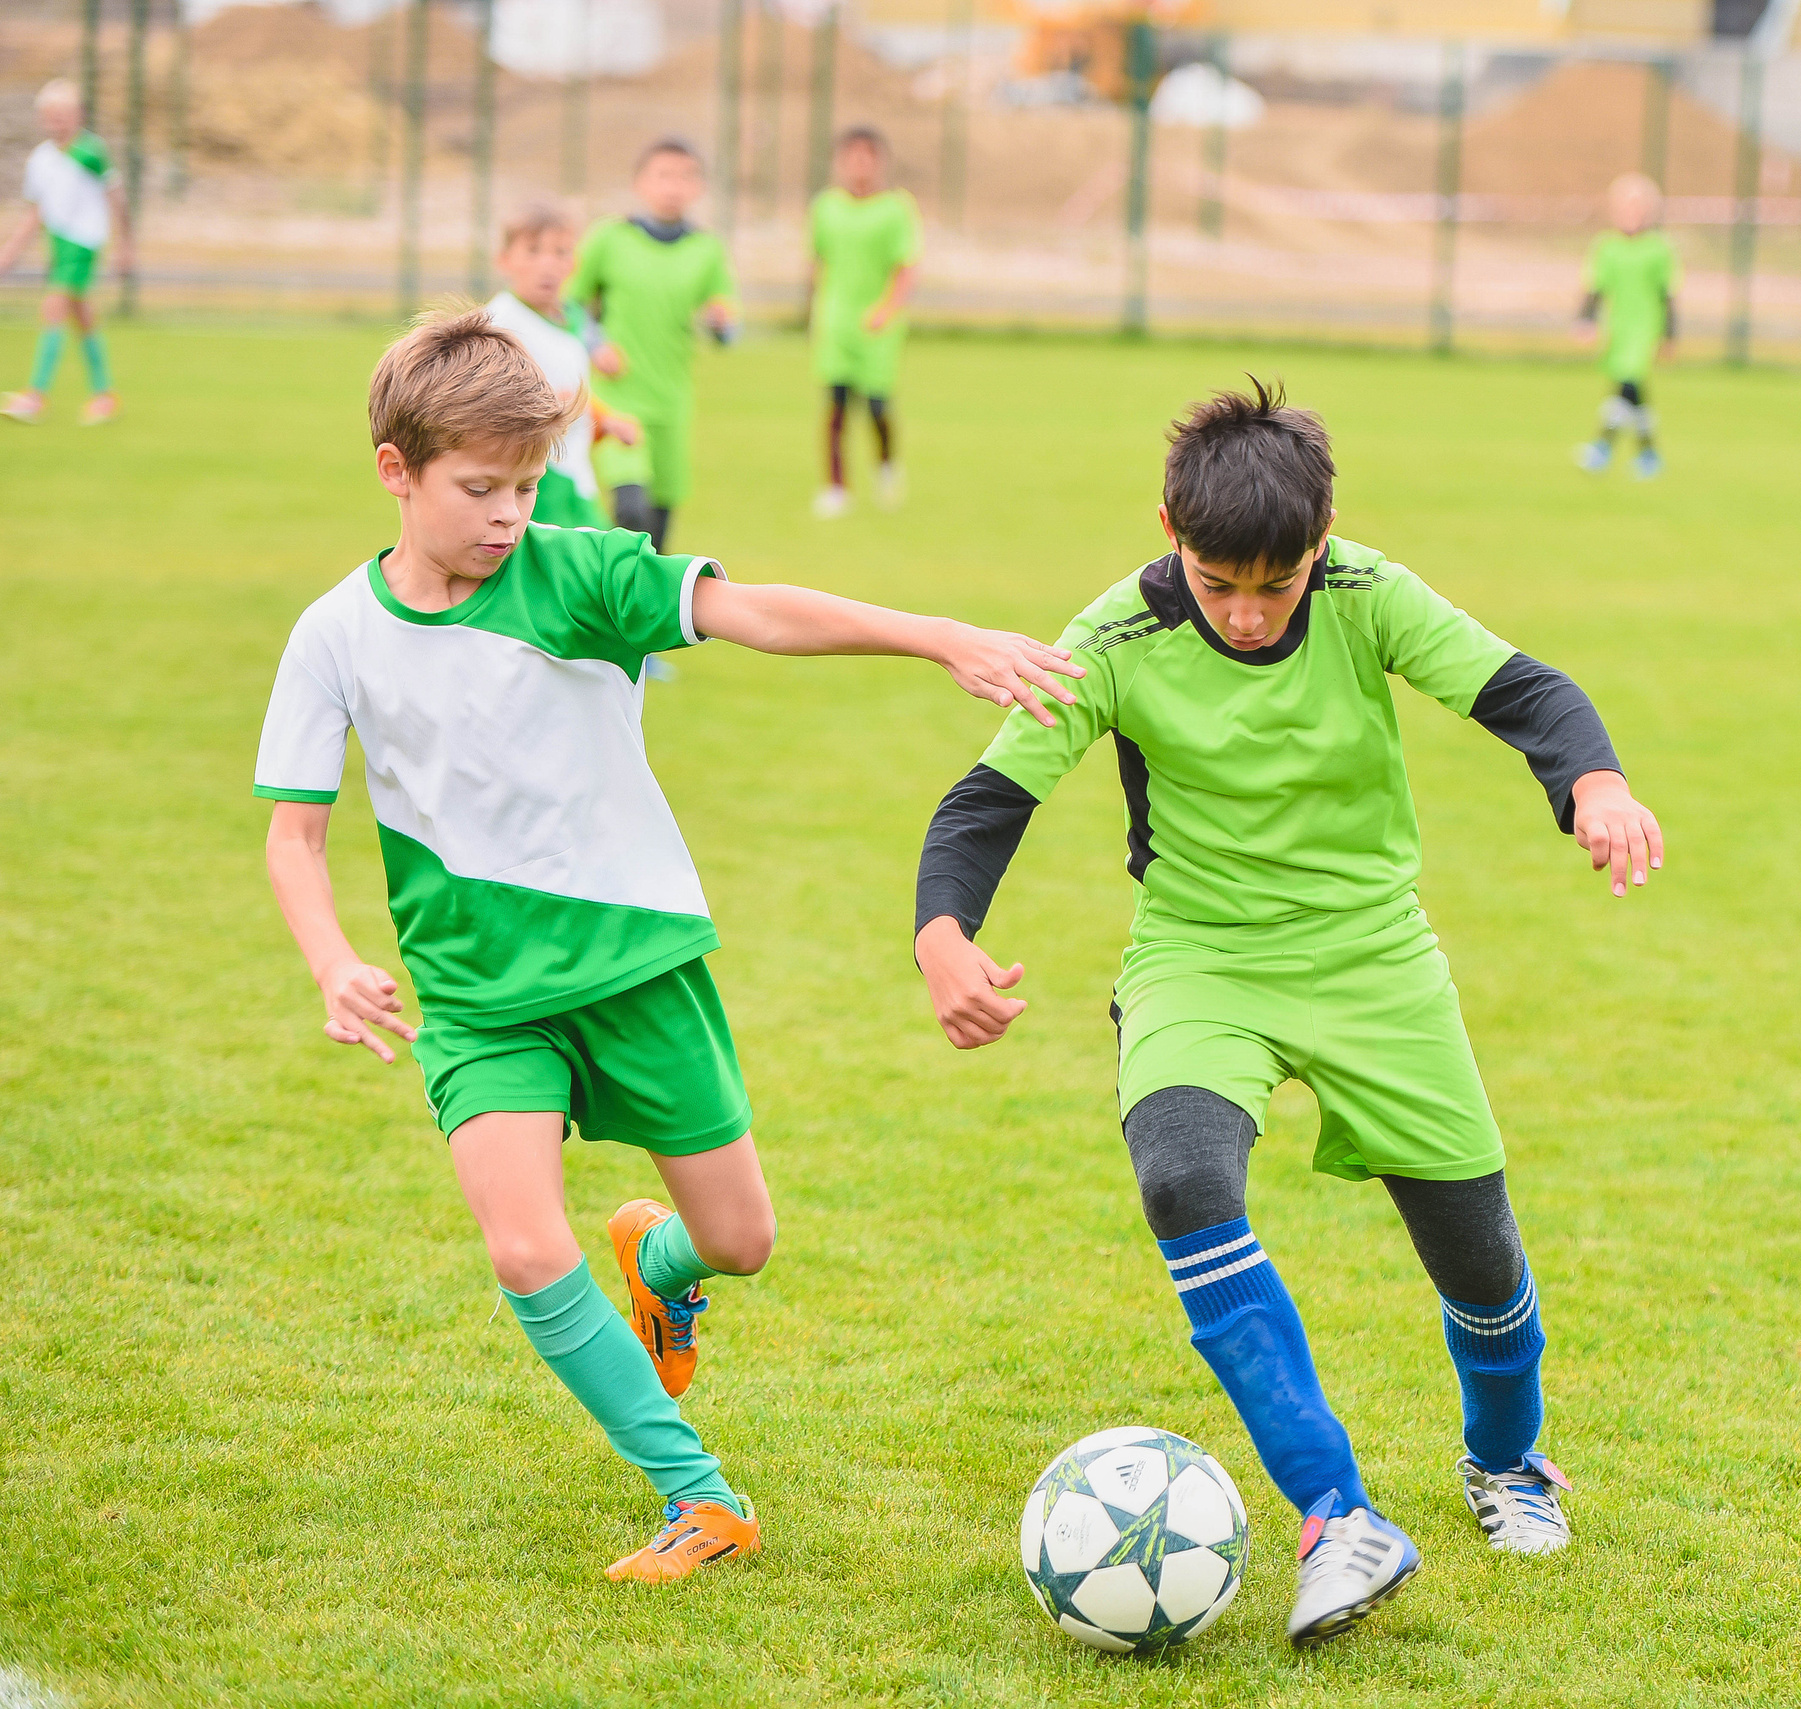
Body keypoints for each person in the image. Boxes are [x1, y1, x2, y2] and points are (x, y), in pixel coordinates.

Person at [254, 309, 1082, 1583]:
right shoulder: (333, 636)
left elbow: (757, 614)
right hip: (479, 998)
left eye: (527, 484)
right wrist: (331, 961)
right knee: (527, 1247)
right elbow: (295, 837)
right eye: (479, 489)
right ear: (394, 469)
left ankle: (661, 1258)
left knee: (741, 1239)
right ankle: (700, 1495)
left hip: (640, 971)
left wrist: (942, 636)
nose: (509, 514)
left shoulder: (581, 574)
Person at [911, 380, 1665, 1648]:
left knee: (1478, 1258)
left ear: (1323, 540)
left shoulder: (1369, 593)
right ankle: (1337, 1514)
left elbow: (1525, 691)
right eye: (1220, 586)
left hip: (1376, 959)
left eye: (1280, 582)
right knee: (1182, 1179)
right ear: (1169, 532)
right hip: (1198, 958)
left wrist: (1593, 781)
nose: (1251, 613)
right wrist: (943, 932)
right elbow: (988, 800)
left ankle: (1508, 1461)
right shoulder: (1113, 635)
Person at [568, 138, 736, 551]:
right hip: (619, 398)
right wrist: (595, 343)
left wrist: (721, 323)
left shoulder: (706, 250)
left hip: (672, 401)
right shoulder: (609, 238)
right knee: (630, 509)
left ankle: (644, 592)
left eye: (684, 177)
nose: (672, 186)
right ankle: (609, 582)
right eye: (663, 175)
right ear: (640, 183)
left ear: (698, 187)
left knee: (660, 525)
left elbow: (728, 328)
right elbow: (569, 302)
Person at [485, 200, 639, 531]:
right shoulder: (498, 323)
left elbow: (570, 388)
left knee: (596, 553)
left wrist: (606, 421)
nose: (548, 264)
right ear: (504, 259)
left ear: (575, 262)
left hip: (574, 473)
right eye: (533, 251)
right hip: (532, 478)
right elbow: (480, 403)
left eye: (560, 252)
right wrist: (540, 408)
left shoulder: (573, 317)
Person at [807, 124, 920, 519]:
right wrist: (816, 310)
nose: (859, 166)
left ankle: (887, 466)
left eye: (866, 158)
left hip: (877, 323)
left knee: (876, 405)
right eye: (851, 158)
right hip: (836, 321)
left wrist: (888, 309)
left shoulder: (895, 209)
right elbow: (817, 261)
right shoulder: (826, 207)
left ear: (879, 162)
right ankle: (836, 487)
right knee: (835, 406)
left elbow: (906, 266)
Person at [1, 79, 129, 425]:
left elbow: (116, 197)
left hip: (84, 242)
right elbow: (36, 212)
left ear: (78, 115)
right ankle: (104, 394)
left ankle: (35, 396)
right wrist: (11, 251)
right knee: (82, 317)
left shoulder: (90, 152)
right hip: (58, 243)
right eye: (51, 115)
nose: (57, 121)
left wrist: (124, 243)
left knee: (53, 307)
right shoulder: (40, 159)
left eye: (63, 114)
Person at [1573, 173, 1679, 480]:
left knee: (1627, 386)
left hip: (1645, 328)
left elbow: (1667, 294)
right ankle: (1647, 454)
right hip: (1618, 327)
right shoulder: (1607, 247)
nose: (1631, 214)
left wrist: (1669, 334)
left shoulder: (1658, 249)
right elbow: (1596, 286)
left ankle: (1603, 447)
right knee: (1630, 392)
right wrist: (1586, 320)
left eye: (1637, 207)